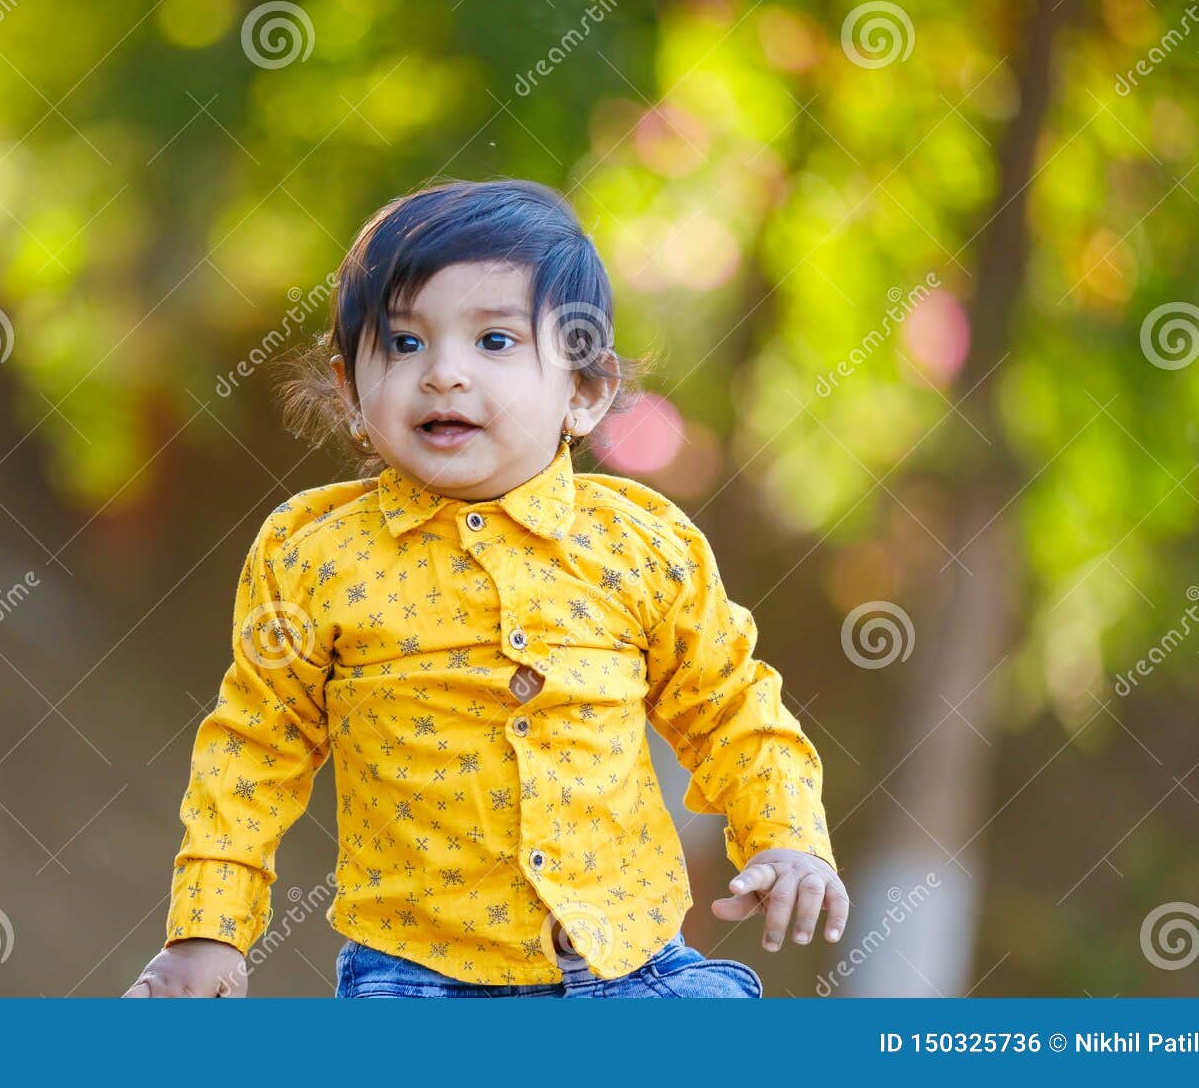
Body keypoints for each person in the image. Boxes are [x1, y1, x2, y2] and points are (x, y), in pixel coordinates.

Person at [122, 178, 849, 999]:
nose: (444, 375)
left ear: (585, 390)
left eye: (494, 341)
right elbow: (255, 745)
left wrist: (787, 835)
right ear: (351, 388)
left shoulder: (642, 544)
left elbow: (730, 705)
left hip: (631, 966)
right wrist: (208, 929)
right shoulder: (315, 553)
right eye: (403, 344)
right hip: (421, 980)